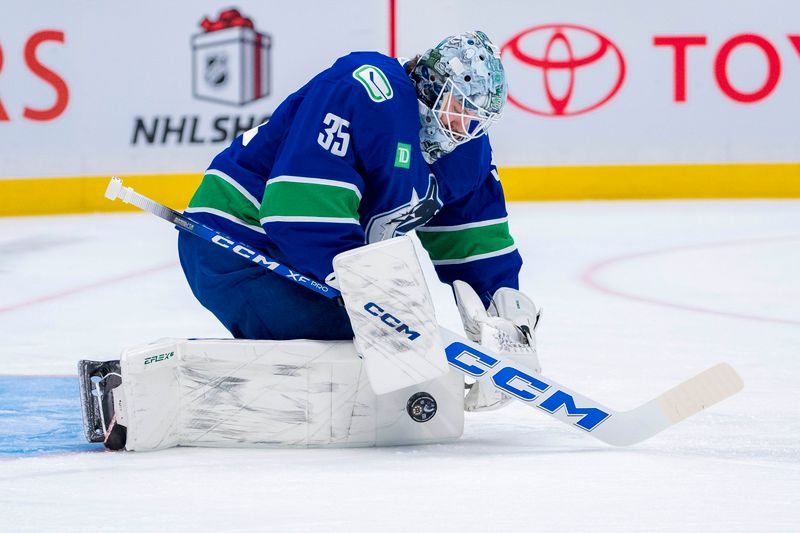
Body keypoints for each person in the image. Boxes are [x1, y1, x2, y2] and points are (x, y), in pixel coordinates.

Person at [178, 30, 541, 411]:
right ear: (431, 85)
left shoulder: (464, 146)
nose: (464, 126)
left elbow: (473, 233)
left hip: (307, 264)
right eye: (459, 106)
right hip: (236, 244)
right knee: (382, 350)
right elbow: (297, 211)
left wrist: (502, 308)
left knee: (395, 351)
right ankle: (174, 390)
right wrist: (375, 292)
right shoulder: (367, 89)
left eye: (476, 117)